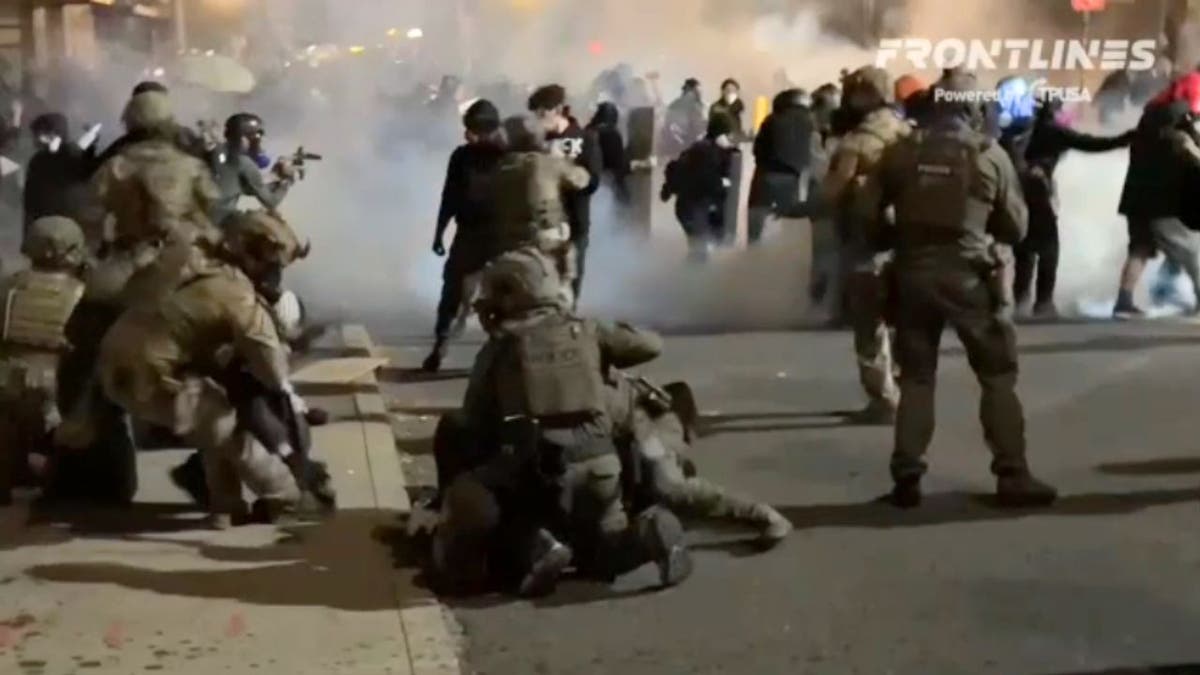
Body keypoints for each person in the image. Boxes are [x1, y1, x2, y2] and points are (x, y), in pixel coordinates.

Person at [433, 248, 692, 597]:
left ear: (510, 294)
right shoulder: (586, 331)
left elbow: (471, 421)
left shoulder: (500, 348)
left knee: (478, 497)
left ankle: (536, 547)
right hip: (601, 469)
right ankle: (651, 533)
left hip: (534, 470)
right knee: (602, 556)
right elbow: (650, 345)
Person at [856, 72, 1058, 509]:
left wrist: (894, 237)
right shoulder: (990, 154)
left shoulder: (902, 151)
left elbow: (865, 212)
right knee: (997, 376)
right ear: (973, 108)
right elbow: (1017, 227)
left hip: (911, 275)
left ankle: (907, 476)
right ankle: (1012, 474)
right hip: (969, 276)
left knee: (916, 379)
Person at [97, 211, 311, 529]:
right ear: (249, 253)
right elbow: (269, 364)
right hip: (153, 378)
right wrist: (287, 395)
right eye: (272, 265)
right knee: (227, 425)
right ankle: (284, 494)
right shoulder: (234, 293)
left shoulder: (186, 256)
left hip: (114, 365)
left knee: (211, 416)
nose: (273, 275)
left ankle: (226, 507)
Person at [997, 81, 1133, 318]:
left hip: (1013, 191)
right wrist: (1126, 138)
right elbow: (1090, 143)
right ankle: (1044, 302)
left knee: (1025, 246)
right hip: (1037, 191)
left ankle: (1021, 299)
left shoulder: (1014, 128)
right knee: (1049, 246)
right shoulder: (1052, 130)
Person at [608, 374, 792, 545]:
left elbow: (645, 346)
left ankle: (763, 515)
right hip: (604, 435)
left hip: (639, 422)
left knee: (668, 486)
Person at [822, 66, 910, 424]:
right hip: (907, 242)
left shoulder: (858, 141)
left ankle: (884, 400)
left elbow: (831, 192)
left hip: (866, 243)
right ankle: (909, 391)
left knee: (869, 325)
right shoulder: (908, 133)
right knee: (904, 320)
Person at [0, 217, 88, 505]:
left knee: (7, 432)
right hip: (57, 378)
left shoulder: (11, 287)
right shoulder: (81, 292)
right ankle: (58, 486)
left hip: (9, 374)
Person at [423, 100, 507, 373]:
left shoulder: (509, 157)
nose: (466, 135)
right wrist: (439, 234)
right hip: (469, 233)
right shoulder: (461, 157)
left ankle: (503, 355)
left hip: (501, 235)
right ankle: (441, 342)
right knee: (452, 291)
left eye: (471, 130)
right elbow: (449, 197)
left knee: (507, 297)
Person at [1114, 72, 1200, 318]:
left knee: (1140, 248)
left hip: (1137, 201)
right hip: (1165, 204)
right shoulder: (1178, 128)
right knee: (1192, 250)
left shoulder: (1149, 122)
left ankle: (1124, 301)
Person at [490, 114, 592, 309]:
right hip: (547, 238)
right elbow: (581, 180)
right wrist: (562, 158)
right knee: (563, 288)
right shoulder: (545, 163)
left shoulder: (501, 167)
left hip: (509, 239)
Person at [528, 85, 603, 305]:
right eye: (537, 114)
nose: (540, 119)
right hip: (543, 222)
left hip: (574, 218)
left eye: (544, 112)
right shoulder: (536, 143)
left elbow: (593, 180)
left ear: (558, 109)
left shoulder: (584, 138)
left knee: (571, 275)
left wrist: (566, 171)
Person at [661, 114, 738, 262]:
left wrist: (667, 190)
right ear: (720, 134)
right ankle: (690, 281)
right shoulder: (707, 152)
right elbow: (702, 176)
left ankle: (690, 279)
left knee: (699, 249)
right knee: (700, 251)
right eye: (728, 136)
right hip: (695, 206)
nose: (730, 140)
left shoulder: (701, 149)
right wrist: (721, 182)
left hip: (691, 206)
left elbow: (675, 169)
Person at [747, 88, 815, 246]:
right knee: (788, 225)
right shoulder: (811, 122)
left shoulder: (771, 119)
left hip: (766, 176)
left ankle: (752, 255)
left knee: (757, 221)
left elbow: (758, 149)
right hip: (794, 179)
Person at [23, 112, 101, 241]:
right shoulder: (42, 159)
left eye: (38, 134)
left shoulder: (47, 159)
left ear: (52, 135)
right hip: (58, 225)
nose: (34, 139)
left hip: (58, 224)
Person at [209, 113, 296, 228]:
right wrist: (286, 182)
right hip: (219, 219)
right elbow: (271, 202)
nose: (259, 142)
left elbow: (236, 183)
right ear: (244, 139)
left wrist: (274, 175)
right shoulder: (245, 163)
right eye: (256, 137)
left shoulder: (218, 150)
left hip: (204, 211)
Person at [586, 102, 632, 204]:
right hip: (608, 183)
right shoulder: (612, 134)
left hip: (590, 183)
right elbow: (617, 163)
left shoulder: (588, 131)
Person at [660, 79, 707, 160]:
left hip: (674, 145)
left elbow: (668, 125)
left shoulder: (674, 104)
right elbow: (697, 127)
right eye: (697, 90)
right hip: (688, 146)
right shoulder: (694, 105)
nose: (699, 93)